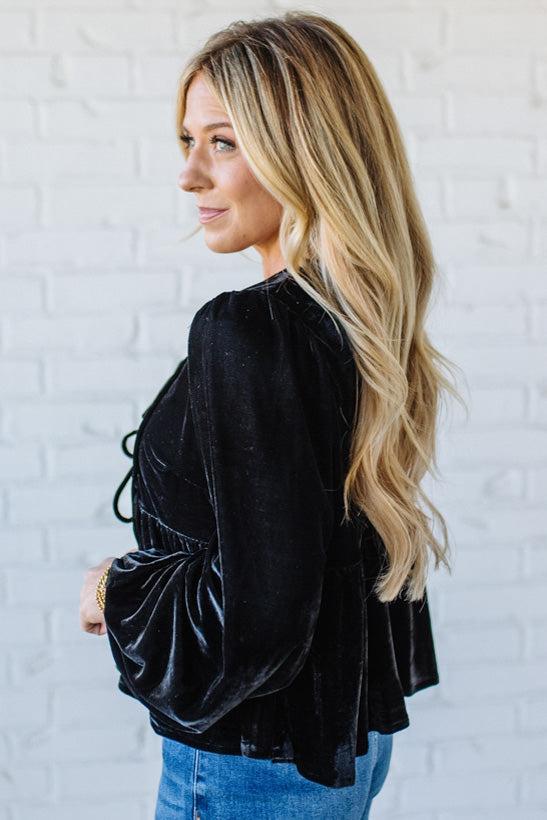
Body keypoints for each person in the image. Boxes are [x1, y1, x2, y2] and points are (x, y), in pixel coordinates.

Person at [79, 10, 464, 819]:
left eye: (223, 142)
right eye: (188, 141)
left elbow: (259, 623)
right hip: (337, 748)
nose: (190, 176)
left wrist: (116, 589)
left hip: (251, 766)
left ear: (308, 151)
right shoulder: (352, 319)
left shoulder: (251, 329)